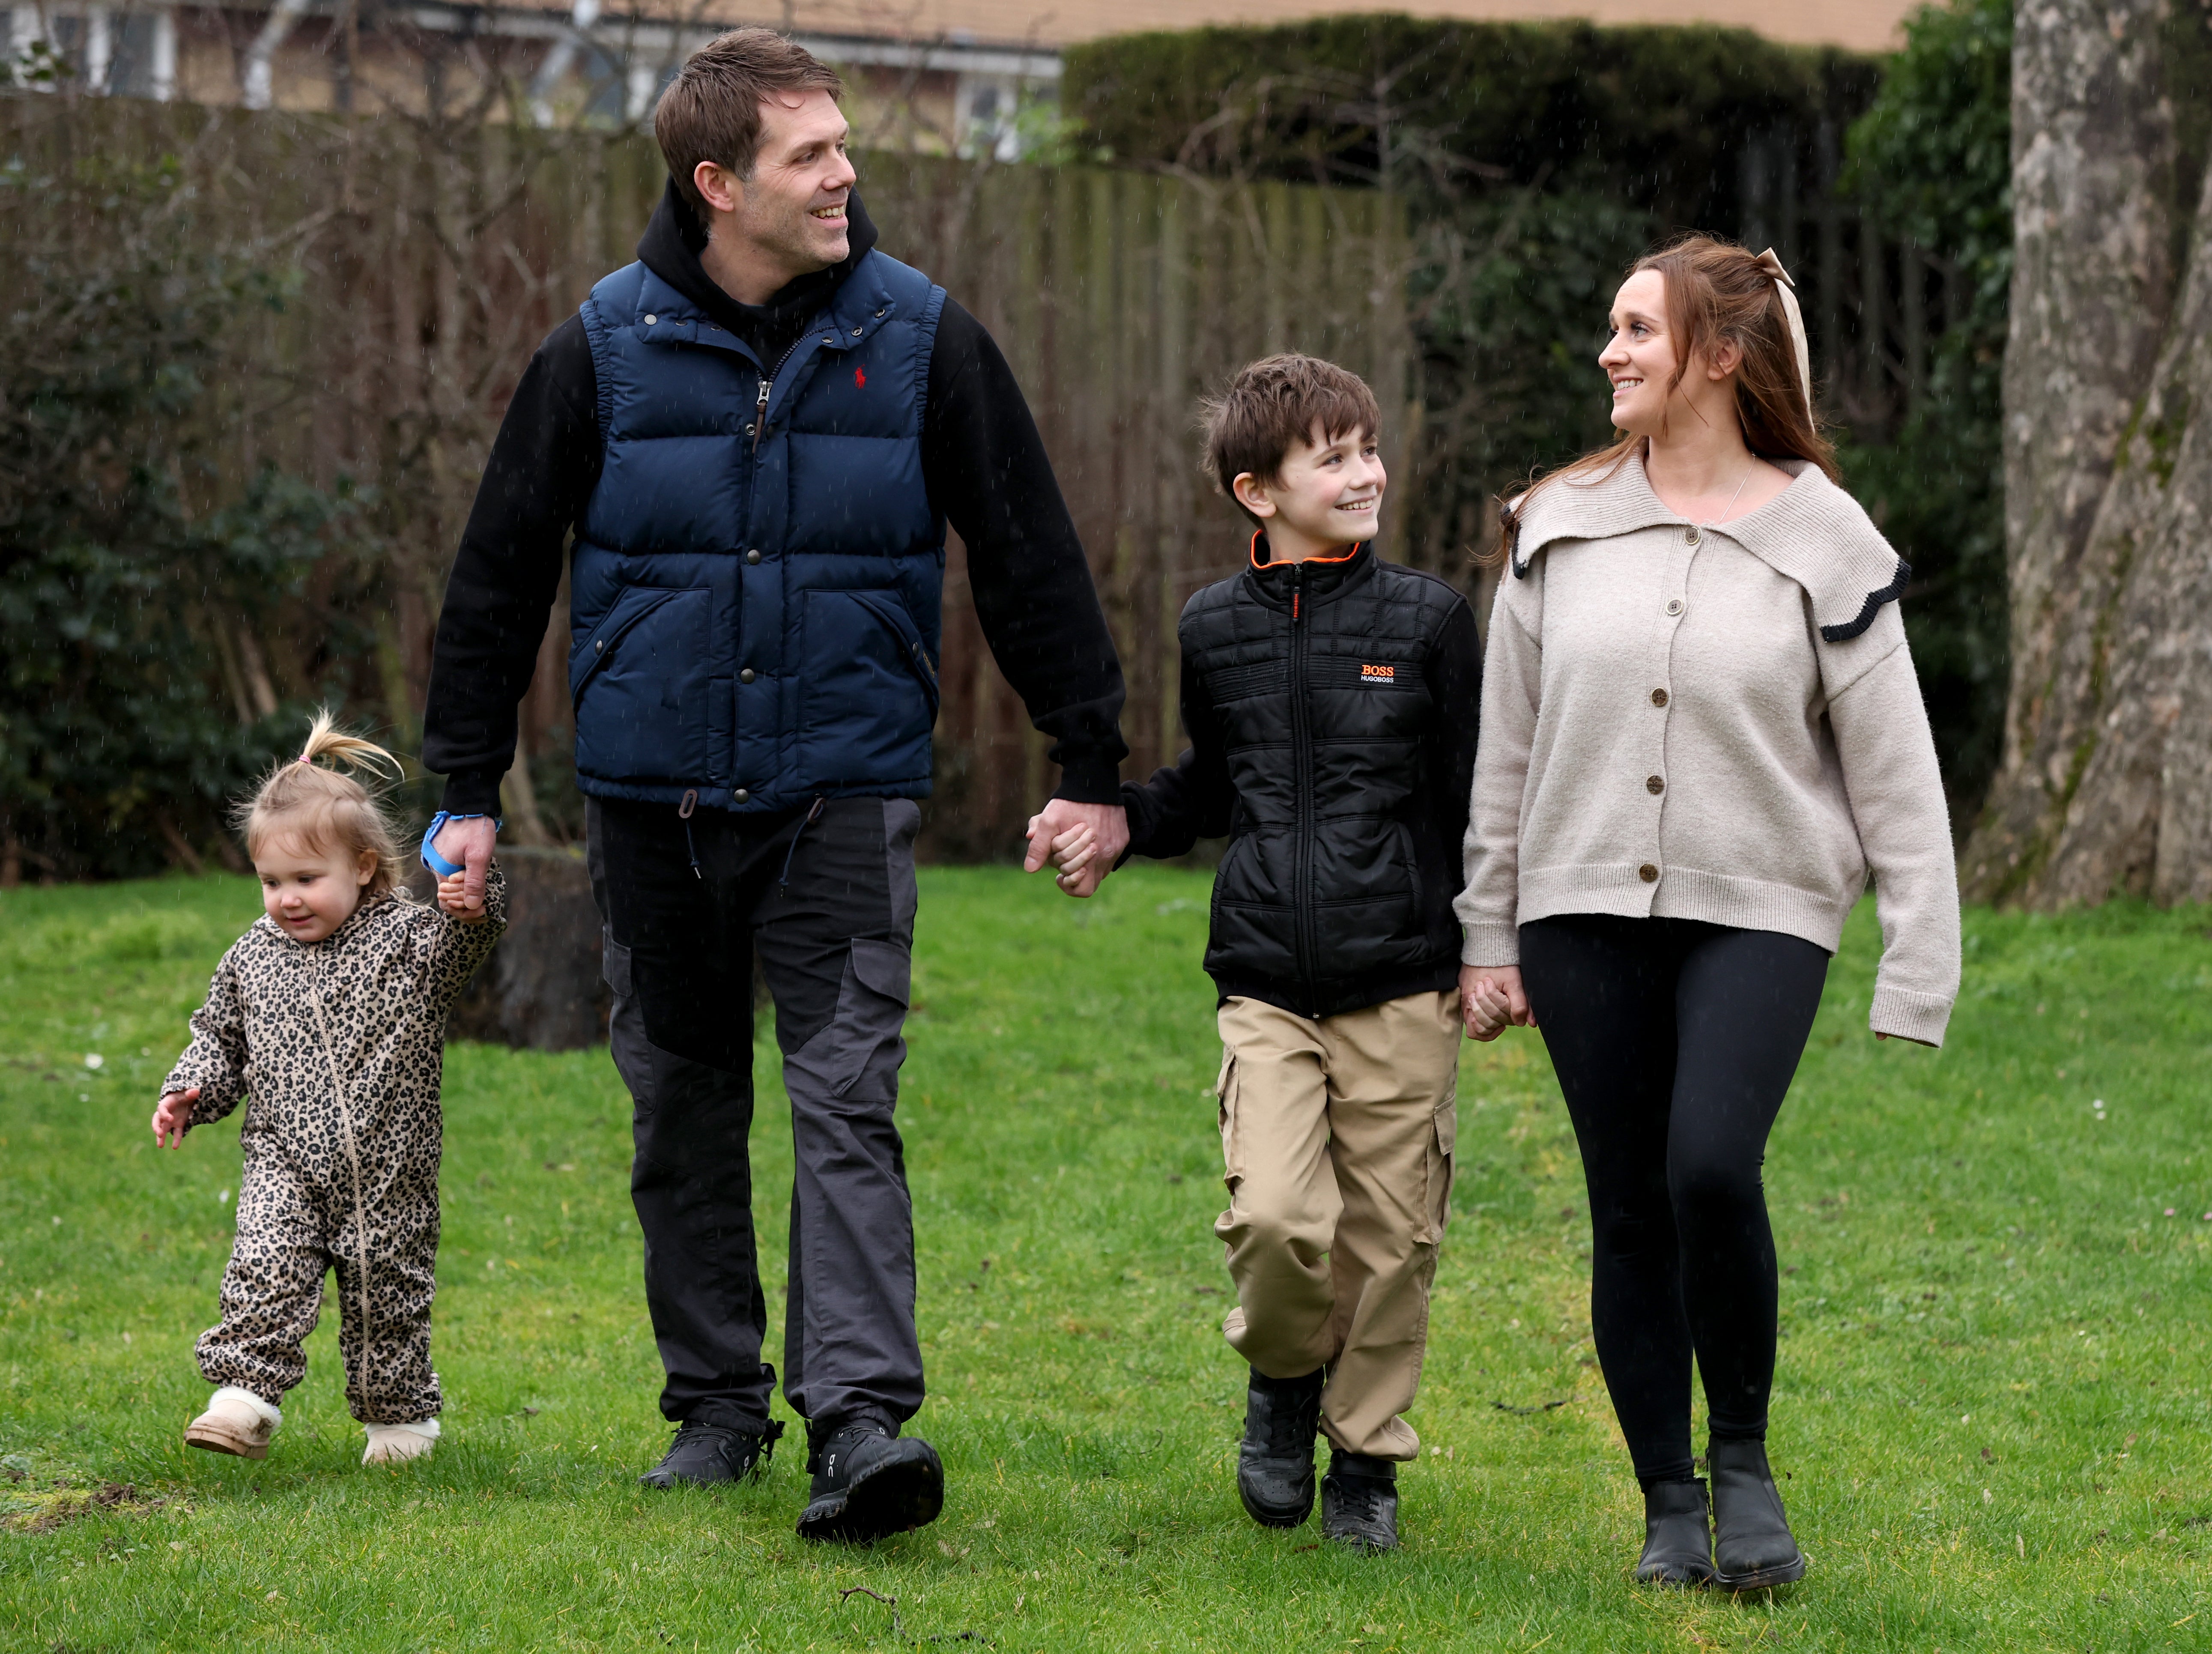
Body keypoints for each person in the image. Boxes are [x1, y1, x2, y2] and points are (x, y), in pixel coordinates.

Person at [417, 29, 1129, 1542]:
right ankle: (716, 1404)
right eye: (812, 155)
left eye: (842, 147)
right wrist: (461, 790)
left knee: (844, 1100)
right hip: (646, 802)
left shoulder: (921, 338)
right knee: (679, 1108)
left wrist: (1090, 759)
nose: (847, 175)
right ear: (717, 182)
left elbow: (1025, 552)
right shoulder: (599, 347)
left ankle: (859, 1420)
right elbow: (496, 577)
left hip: (841, 794)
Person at [1457, 236, 1961, 1589]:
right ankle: (1667, 1501)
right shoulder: (1551, 521)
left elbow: (1894, 766)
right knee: (1627, 1206)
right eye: (1610, 327)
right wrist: (1484, 929)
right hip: (1573, 910)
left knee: (1706, 1166)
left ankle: (1740, 1463)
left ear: (1720, 354)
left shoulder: (1822, 537)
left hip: (1762, 909)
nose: (1609, 352)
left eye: (1636, 328)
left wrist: (1917, 957)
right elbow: (1503, 750)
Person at [1059, 355, 1480, 1552]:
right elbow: (1210, 782)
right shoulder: (1212, 625)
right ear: (1258, 490)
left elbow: (1470, 802)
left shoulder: (1429, 620)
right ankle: (1283, 1381)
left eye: (1366, 447)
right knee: (1281, 1220)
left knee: (1389, 1241)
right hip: (1264, 981)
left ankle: (1364, 1462)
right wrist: (1122, 823)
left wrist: (1492, 946)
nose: (1363, 473)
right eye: (1331, 455)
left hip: (1401, 973)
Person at [153, 713, 504, 1467]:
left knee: (387, 1297)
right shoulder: (252, 956)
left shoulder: (407, 941)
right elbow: (219, 1037)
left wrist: (473, 905)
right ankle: (243, 1401)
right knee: (264, 1265)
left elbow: (464, 943)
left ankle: (400, 1423)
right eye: (272, 881)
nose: (287, 898)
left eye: (307, 879)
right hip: (284, 1157)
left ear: (367, 868)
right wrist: (189, 1089)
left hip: (390, 1164)